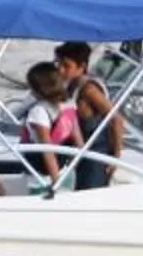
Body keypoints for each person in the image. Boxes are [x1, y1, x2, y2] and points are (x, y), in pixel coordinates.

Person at [51, 41, 122, 189]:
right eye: (58, 64)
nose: (60, 70)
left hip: (96, 154)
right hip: (80, 152)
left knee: (90, 196)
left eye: (66, 66)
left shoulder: (89, 90)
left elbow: (116, 120)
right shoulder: (70, 87)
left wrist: (116, 157)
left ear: (82, 67)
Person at [19, 60, 79, 180]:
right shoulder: (68, 104)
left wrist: (55, 181)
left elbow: (47, 150)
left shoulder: (39, 112)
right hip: (66, 169)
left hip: (41, 174)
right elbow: (78, 140)